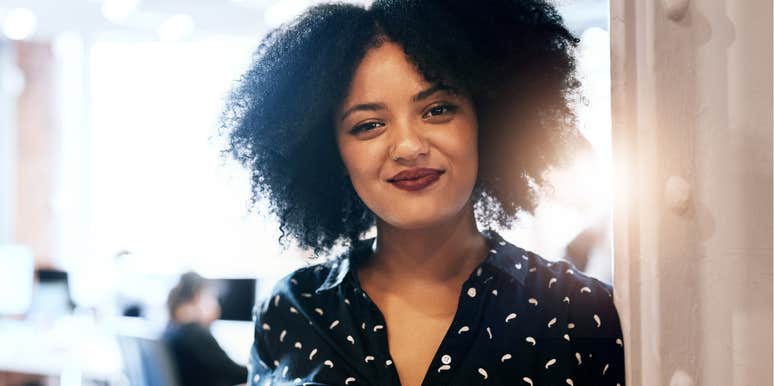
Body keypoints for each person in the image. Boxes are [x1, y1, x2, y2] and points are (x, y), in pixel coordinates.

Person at [222, 1, 625, 385]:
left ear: (488, 119)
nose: (408, 146)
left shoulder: (581, 312)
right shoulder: (292, 311)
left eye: (437, 110)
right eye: (368, 125)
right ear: (330, 152)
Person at [162, 272, 248, 386]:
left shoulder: (171, 331)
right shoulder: (194, 334)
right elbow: (237, 373)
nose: (217, 306)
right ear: (197, 295)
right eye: (212, 297)